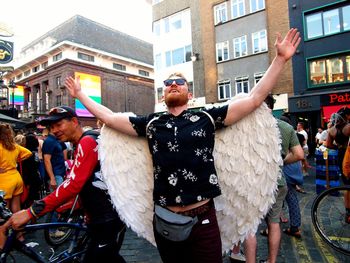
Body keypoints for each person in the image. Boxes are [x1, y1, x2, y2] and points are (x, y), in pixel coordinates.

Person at [61, 28, 301, 262]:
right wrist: (82, 95)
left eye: (180, 82)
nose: (173, 84)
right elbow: (111, 119)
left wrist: (280, 59)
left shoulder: (207, 118)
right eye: (168, 82)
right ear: (162, 94)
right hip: (166, 222)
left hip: (203, 220)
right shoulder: (151, 123)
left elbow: (254, 99)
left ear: (189, 93)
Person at [6, 106, 126, 263]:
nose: (54, 130)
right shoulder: (84, 141)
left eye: (59, 125)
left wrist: (32, 212)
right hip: (102, 216)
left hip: (106, 218)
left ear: (75, 121)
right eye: (51, 127)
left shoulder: (87, 141)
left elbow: (73, 183)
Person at [244, 95, 304, 263]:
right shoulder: (285, 127)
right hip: (278, 182)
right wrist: (280, 161)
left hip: (254, 183)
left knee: (250, 227)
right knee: (274, 223)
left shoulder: (249, 127)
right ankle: (271, 261)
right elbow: (299, 154)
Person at [0, 124, 32, 213]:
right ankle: (18, 226)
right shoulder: (14, 146)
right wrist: (16, 159)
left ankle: (6, 227)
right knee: (16, 207)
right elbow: (28, 152)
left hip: (4, 179)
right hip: (16, 177)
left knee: (3, 211)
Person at [326, 106, 350, 223]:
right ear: (346, 116)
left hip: (340, 155)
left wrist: (338, 146)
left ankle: (348, 212)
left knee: (346, 184)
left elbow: (328, 145)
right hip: (348, 154)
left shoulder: (332, 130)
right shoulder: (348, 127)